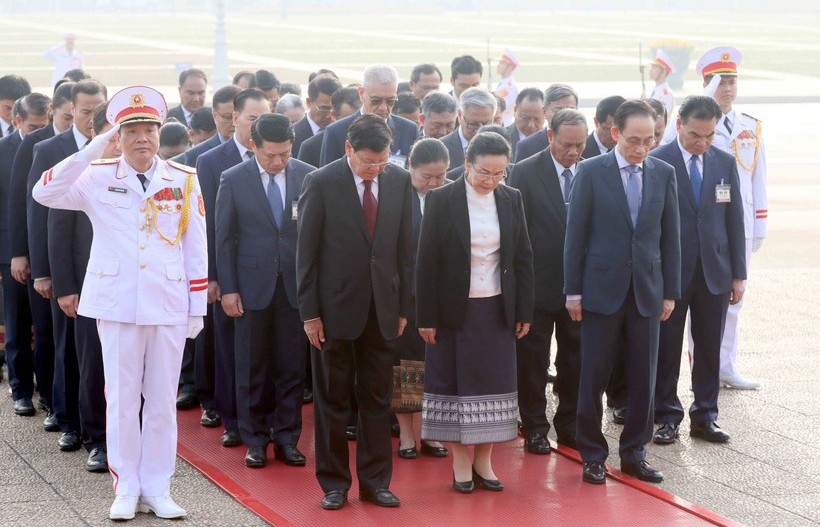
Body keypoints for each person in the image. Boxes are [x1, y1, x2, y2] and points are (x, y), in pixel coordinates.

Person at [32, 85, 207, 520]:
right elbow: (44, 192)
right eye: (132, 130)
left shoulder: (183, 180)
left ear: (160, 132)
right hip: (115, 302)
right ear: (119, 135)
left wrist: (196, 307)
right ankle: (126, 485)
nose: (142, 138)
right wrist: (93, 149)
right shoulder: (97, 175)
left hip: (167, 301)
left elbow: (196, 247)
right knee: (123, 397)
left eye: (149, 129)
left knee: (163, 400)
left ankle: (158, 486)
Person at [297, 114, 413, 510]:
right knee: (332, 399)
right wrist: (310, 314)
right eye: (368, 162)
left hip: (382, 310)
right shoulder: (321, 182)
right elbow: (306, 256)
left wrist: (403, 307)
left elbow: (406, 250)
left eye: (382, 161)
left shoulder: (398, 180)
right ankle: (333, 483)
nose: (376, 169)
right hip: (333, 312)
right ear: (349, 149)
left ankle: (375, 481)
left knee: (377, 399)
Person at [564, 99, 680, 485]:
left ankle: (635, 453)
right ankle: (593, 454)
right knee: (593, 375)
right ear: (615, 134)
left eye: (650, 140)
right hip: (600, 290)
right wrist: (573, 291)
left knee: (644, 376)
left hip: (647, 290)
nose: (642, 148)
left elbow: (671, 239)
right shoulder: (592, 171)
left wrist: (670, 292)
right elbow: (575, 236)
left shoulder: (663, 172)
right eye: (634, 140)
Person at [417, 131, 533, 493]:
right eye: (484, 172)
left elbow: (523, 258)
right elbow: (426, 262)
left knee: (493, 385)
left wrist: (523, 309)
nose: (491, 181)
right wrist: (426, 316)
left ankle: (484, 459)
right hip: (454, 310)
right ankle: (460, 461)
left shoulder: (511, 198)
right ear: (466, 164)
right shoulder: (441, 199)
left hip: (496, 307)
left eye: (499, 174)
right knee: (451, 385)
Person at [216, 113, 314, 468]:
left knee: (291, 368)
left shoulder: (307, 174)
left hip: (294, 288)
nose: (278, 161)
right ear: (254, 145)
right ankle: (254, 438)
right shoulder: (233, 178)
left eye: (285, 154)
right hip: (251, 288)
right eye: (271, 154)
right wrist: (228, 288)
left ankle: (287, 438)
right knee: (251, 367)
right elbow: (224, 239)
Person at [651, 95, 746, 446]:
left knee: (709, 347)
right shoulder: (659, 161)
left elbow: (734, 220)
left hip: (715, 272)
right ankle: (666, 416)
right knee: (667, 347)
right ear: (678, 124)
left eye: (708, 136)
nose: (702, 143)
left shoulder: (723, 161)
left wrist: (738, 273)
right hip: (672, 275)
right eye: (695, 135)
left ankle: (705, 415)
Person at [28, 79, 108, 453]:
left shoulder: (123, 156)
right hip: (74, 273)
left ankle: (102, 432)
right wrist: (54, 276)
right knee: (68, 351)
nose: (92, 117)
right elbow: (47, 219)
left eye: (99, 109)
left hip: (111, 277)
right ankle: (69, 422)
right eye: (86, 110)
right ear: (72, 110)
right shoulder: (53, 151)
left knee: (100, 359)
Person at [508, 109, 588, 453]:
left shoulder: (593, 170)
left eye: (580, 145)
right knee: (533, 363)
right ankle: (535, 425)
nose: (573, 152)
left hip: (581, 289)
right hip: (537, 287)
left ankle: (569, 425)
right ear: (549, 137)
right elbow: (515, 237)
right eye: (566, 144)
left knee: (576, 360)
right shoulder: (524, 173)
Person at [195, 88, 272, 447]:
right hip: (227, 272)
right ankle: (232, 418)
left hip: (267, 272)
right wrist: (213, 276)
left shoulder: (279, 155)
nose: (259, 126)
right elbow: (208, 225)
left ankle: (264, 419)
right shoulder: (212, 161)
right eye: (253, 119)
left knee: (264, 352)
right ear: (235, 118)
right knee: (228, 347)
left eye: (265, 118)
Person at [47, 102, 119, 472]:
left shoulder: (142, 173)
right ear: (95, 134)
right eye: (112, 134)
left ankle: (127, 440)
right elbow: (59, 232)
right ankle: (97, 439)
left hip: (131, 290)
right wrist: (65, 285)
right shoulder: (79, 173)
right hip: (88, 287)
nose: (120, 143)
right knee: (92, 366)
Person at [696, 45, 766, 390]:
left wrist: (759, 226)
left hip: (740, 224)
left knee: (734, 298)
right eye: (719, 81)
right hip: (707, 223)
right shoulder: (696, 123)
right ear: (706, 85)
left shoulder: (749, 126)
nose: (727, 88)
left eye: (731, 81)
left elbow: (758, 179)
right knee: (702, 301)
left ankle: (726, 366)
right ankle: (702, 371)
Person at [7, 82, 74, 429]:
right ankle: (38, 394)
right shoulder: (36, 144)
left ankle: (59, 399)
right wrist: (20, 252)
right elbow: (23, 202)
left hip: (73, 254)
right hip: (38, 253)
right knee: (38, 328)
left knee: (63, 336)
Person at [392, 138, 450, 461]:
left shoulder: (452, 193)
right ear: (410, 168)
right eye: (427, 176)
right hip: (406, 295)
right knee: (405, 365)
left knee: (437, 368)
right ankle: (406, 433)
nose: (434, 183)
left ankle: (433, 432)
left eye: (440, 176)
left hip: (441, 297)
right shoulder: (397, 192)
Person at [0, 93, 49, 406]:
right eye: (33, 126)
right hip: (11, 252)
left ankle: (46, 389)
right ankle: (20, 390)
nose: (38, 132)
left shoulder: (50, 147)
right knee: (17, 323)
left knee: (45, 328)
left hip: (44, 250)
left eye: (43, 126)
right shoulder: (3, 152)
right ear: (17, 121)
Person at [319, 65, 417, 167]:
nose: (383, 108)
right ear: (361, 94)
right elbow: (327, 179)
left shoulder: (409, 130)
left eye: (390, 101)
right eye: (376, 101)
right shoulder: (336, 132)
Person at [176, 85, 240, 168]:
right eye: (228, 117)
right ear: (214, 115)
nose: (234, 123)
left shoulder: (257, 148)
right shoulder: (196, 155)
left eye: (238, 117)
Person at [298, 86, 361, 169]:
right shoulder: (311, 147)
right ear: (333, 116)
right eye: (347, 122)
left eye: (360, 119)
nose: (355, 127)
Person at [515, 84, 579, 162]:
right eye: (558, 110)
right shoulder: (527, 147)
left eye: (570, 109)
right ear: (544, 111)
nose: (565, 115)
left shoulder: (588, 143)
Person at [440, 87, 497, 170]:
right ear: (459, 116)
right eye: (473, 124)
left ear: (492, 119)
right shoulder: (442, 148)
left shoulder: (501, 147)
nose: (479, 130)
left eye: (485, 124)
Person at [292, 77, 342, 156]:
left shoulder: (343, 132)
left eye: (335, 109)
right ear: (309, 102)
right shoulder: (293, 135)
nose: (330, 115)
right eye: (324, 108)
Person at [505, 87, 545, 155]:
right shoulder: (503, 137)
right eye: (525, 118)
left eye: (537, 119)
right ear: (515, 110)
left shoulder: (552, 141)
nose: (531, 125)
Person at [649, 49, 677, 145]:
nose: (651, 70)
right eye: (651, 67)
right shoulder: (656, 90)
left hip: (659, 139)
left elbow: (658, 117)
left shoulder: (666, 94)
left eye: (655, 68)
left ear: (664, 72)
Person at [495, 48, 520, 126]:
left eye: (502, 63)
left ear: (509, 67)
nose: (498, 65)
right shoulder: (503, 83)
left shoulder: (510, 86)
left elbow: (500, 105)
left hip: (505, 122)